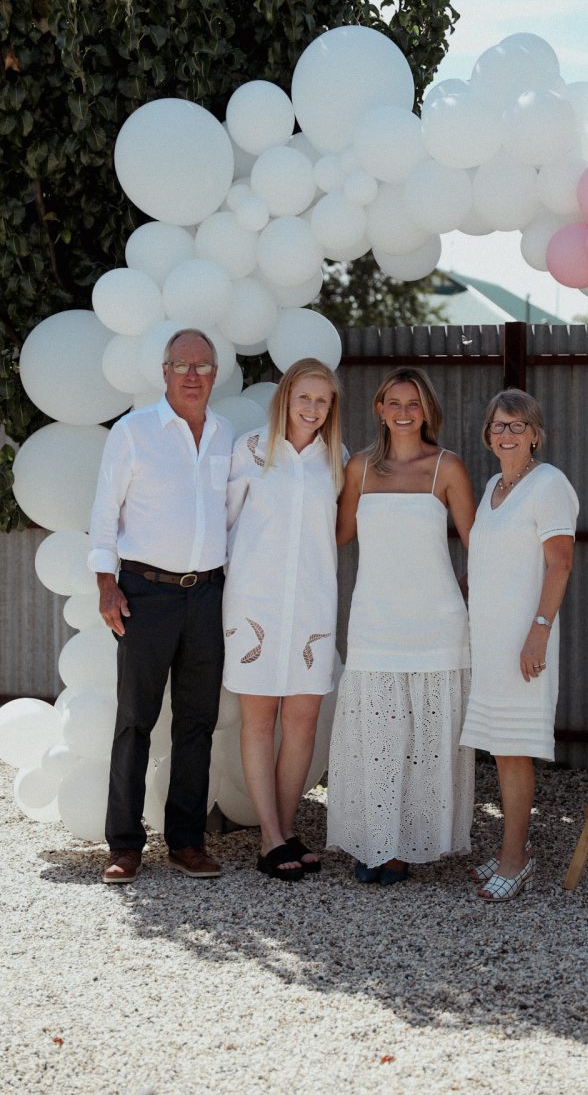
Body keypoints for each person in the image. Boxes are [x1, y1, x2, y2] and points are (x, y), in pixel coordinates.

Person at [89, 328, 233, 884]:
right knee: (136, 721)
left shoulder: (226, 436)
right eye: (182, 365)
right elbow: (104, 515)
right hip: (144, 594)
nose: (193, 375)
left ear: (215, 374)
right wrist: (107, 584)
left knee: (197, 722)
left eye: (202, 366)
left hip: (207, 595)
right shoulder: (133, 432)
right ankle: (124, 846)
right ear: (165, 372)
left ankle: (187, 842)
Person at [326, 367, 476, 885]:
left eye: (414, 403)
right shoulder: (359, 469)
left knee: (425, 741)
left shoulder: (447, 467)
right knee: (377, 737)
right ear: (380, 409)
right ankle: (374, 843)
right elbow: (336, 536)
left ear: (427, 410)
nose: (405, 412)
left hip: (437, 625)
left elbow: (478, 546)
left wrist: (465, 595)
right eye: (395, 402)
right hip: (374, 622)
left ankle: (408, 846)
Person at [223, 358, 345, 881]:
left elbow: (335, 532)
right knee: (260, 719)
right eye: (305, 398)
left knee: (303, 722)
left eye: (322, 400)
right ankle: (269, 838)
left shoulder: (335, 459)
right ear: (286, 398)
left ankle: (286, 828)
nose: (313, 408)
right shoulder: (251, 450)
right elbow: (225, 527)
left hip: (313, 606)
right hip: (256, 605)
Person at [460, 389, 578, 902]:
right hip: (489, 641)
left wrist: (539, 630)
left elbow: (561, 563)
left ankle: (516, 860)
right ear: (488, 435)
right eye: (499, 426)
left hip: (525, 639)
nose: (507, 434)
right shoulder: (492, 487)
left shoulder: (549, 484)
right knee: (500, 746)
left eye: (517, 426)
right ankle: (513, 848)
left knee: (514, 750)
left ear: (535, 434)